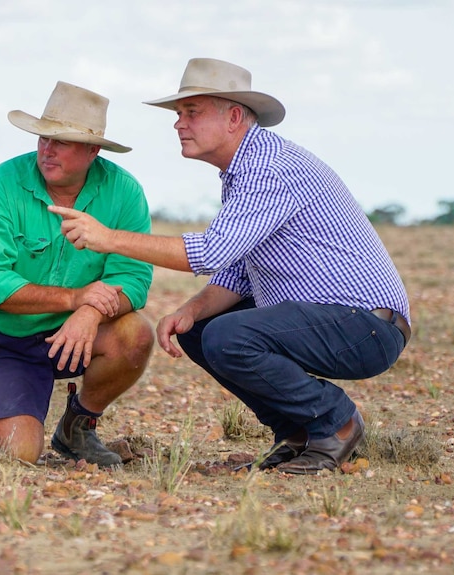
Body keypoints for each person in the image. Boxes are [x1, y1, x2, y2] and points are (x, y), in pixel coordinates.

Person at [50, 58, 411, 474]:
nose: (178, 124)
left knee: (227, 335)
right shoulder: (243, 171)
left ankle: (337, 423)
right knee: (201, 330)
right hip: (335, 320)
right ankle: (297, 433)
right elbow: (239, 270)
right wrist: (190, 311)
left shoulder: (268, 168)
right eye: (179, 114)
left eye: (191, 113)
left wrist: (108, 237)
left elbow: (212, 252)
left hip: (364, 326)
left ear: (234, 117)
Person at [0, 82, 154, 467]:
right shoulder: (0, 186)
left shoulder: (125, 192)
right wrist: (76, 299)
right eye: (44, 137)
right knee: (16, 454)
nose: (47, 149)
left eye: (62, 141)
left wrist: (89, 314)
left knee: (136, 335)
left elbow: (134, 278)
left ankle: (78, 427)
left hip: (74, 331)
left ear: (93, 151)